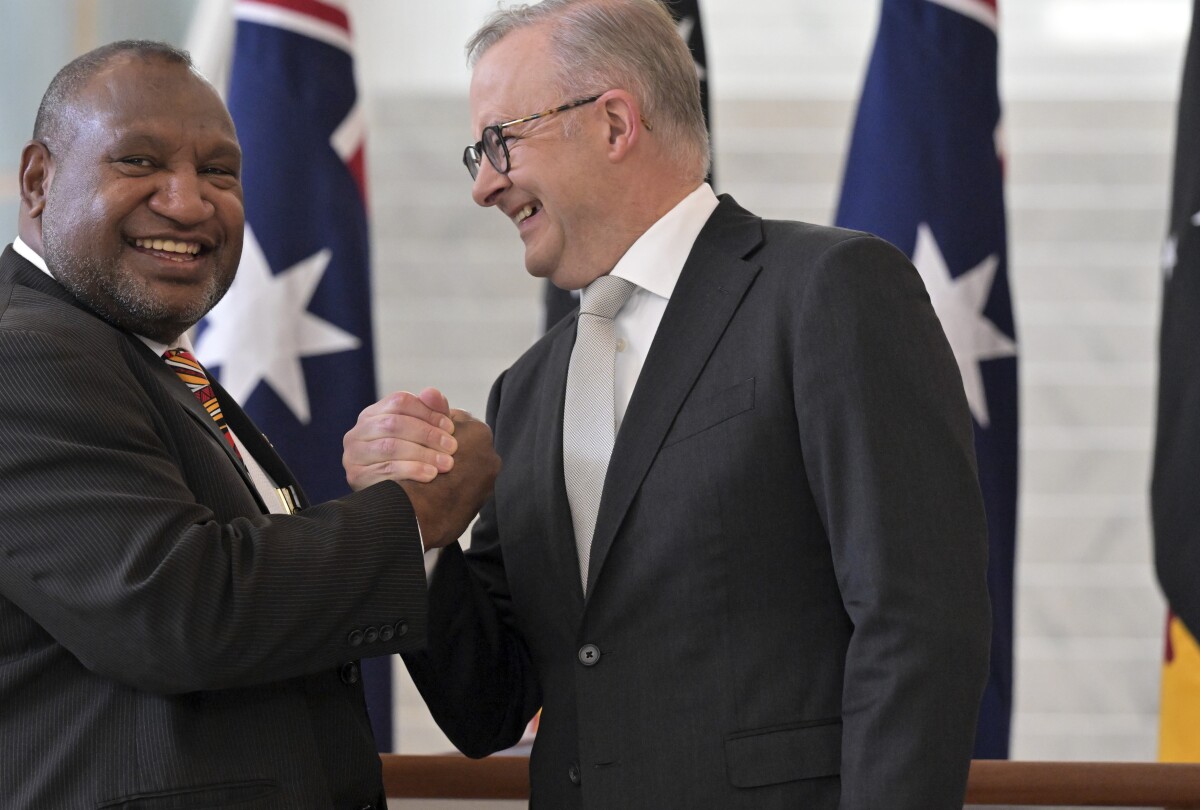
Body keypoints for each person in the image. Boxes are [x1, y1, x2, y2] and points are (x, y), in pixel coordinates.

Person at [342, 1, 991, 807]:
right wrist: (424, 535)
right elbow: (491, 708)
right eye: (478, 152)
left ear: (615, 123)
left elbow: (917, 625)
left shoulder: (829, 291)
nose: (483, 186)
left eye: (501, 141)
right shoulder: (529, 390)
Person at [0, 40, 497, 809]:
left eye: (219, 172)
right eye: (139, 162)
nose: (189, 201)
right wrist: (415, 515)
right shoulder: (12, 366)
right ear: (39, 181)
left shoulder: (137, 360)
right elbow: (179, 610)